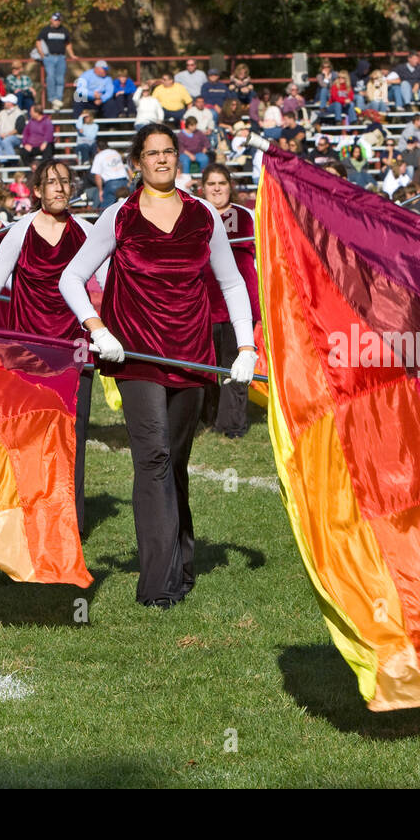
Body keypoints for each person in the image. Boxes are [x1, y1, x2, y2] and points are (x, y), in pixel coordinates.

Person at [57, 124, 257, 609]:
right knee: (153, 459)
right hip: (137, 358)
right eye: (153, 153)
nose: (163, 160)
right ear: (137, 164)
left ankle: (182, 563)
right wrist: (98, 328)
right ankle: (159, 584)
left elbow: (231, 285)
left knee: (178, 463)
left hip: (190, 357)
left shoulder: (203, 214)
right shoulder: (118, 216)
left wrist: (246, 348)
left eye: (169, 152)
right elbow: (73, 276)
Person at [0, 160, 99, 535]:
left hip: (76, 356)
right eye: (51, 183)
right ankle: (27, 514)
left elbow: (111, 286)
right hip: (28, 354)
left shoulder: (88, 232)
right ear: (38, 190)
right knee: (28, 438)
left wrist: (105, 332)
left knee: (72, 439)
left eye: (65, 182)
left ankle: (70, 523)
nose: (59, 189)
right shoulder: (19, 232)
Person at [197, 165, 259, 438]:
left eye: (222, 182)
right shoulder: (195, 215)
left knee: (234, 363)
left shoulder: (242, 216)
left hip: (237, 305)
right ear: (203, 187)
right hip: (203, 304)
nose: (217, 188)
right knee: (205, 366)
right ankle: (207, 416)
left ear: (229, 186)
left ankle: (231, 423)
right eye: (211, 183)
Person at [36, 12, 76, 109]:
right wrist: (42, 54)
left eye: (59, 20)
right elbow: (38, 41)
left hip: (61, 57)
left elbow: (68, 43)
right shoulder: (46, 30)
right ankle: (52, 98)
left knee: (60, 79)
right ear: (51, 20)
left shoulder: (64, 30)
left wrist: (72, 55)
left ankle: (58, 99)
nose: (57, 22)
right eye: (55, 20)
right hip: (49, 57)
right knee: (50, 77)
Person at [90, 139, 129, 207]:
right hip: (124, 182)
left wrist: (100, 190)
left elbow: (97, 176)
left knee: (106, 209)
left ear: (97, 148)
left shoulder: (99, 156)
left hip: (111, 184)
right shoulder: (115, 152)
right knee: (125, 207)